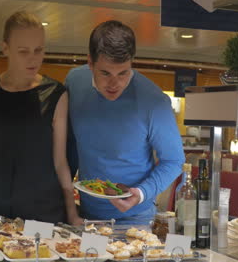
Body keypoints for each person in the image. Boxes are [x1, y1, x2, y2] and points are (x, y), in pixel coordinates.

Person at [0, 11, 82, 224]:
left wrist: (72, 213)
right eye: (23, 51)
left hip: (45, 214)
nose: (33, 59)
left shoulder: (56, 93)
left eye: (39, 50)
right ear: (6, 49)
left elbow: (60, 162)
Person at [65, 20, 185, 224]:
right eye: (105, 73)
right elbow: (69, 146)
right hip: (82, 213)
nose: (115, 84)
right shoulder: (74, 82)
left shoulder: (154, 101)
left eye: (123, 73)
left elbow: (174, 161)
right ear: (90, 63)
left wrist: (141, 193)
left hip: (134, 216)